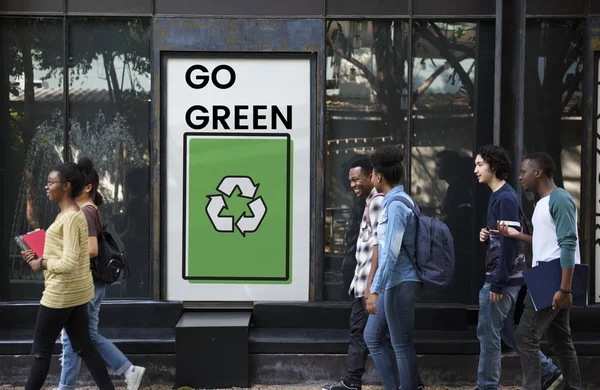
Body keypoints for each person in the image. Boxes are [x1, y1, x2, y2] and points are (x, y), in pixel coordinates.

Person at [474, 146, 561, 390]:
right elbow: (505, 236)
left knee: (487, 336)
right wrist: (487, 233)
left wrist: (498, 283)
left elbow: (511, 244)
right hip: (505, 278)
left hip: (502, 280)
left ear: (492, 166)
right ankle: (549, 372)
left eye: (480, 164)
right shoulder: (501, 196)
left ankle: (487, 386)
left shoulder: (504, 197)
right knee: (504, 332)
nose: (476, 169)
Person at [21, 162, 115, 390]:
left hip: (60, 295)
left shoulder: (72, 217)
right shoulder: (69, 214)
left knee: (40, 354)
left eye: (51, 182)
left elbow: (71, 262)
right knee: (86, 348)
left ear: (66, 187)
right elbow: (69, 253)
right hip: (75, 294)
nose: (46, 186)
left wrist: (41, 263)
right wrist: (40, 253)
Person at [57, 158, 146, 390]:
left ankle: (65, 387)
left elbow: (93, 249)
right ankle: (129, 370)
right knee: (88, 335)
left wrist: (61, 257)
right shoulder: (90, 209)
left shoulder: (86, 212)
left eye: (73, 184)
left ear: (87, 187)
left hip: (86, 283)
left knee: (71, 339)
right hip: (93, 283)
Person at [496, 152, 581, 390]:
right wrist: (515, 235)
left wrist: (564, 288)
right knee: (561, 340)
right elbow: (546, 240)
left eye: (524, 171)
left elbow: (568, 244)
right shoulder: (543, 203)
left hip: (552, 276)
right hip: (548, 275)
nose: (520, 176)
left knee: (525, 336)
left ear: (538, 172)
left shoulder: (560, 199)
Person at [364, 146, 423, 390]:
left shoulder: (396, 206)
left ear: (379, 177)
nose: (371, 179)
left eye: (372, 174)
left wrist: (374, 289)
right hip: (396, 281)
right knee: (373, 336)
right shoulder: (399, 200)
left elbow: (389, 254)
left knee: (401, 344)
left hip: (400, 282)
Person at [322, 156, 383, 390]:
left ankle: (352, 380)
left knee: (368, 334)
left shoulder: (377, 203)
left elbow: (379, 247)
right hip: (363, 283)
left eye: (357, 179)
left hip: (370, 285)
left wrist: (370, 287)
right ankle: (353, 380)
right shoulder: (364, 203)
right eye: (350, 181)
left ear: (372, 176)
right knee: (373, 334)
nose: (353, 185)